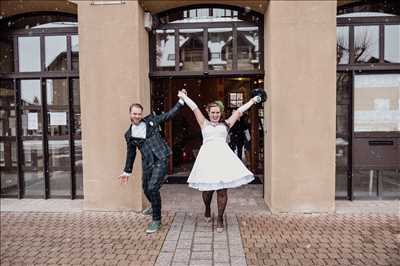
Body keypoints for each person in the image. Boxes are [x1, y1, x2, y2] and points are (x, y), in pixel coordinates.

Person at [178, 89, 260, 232]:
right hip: (207, 159)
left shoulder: (226, 124)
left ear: (220, 113)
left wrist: (253, 101)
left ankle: (220, 218)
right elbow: (194, 107)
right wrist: (184, 96)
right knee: (208, 190)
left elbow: (239, 111)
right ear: (208, 113)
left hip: (223, 158)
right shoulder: (203, 123)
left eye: (217, 112)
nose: (215, 115)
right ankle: (208, 208)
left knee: (222, 190)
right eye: (212, 112)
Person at [119, 95, 184, 234]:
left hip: (161, 157)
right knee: (146, 188)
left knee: (153, 187)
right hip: (148, 162)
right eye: (134, 113)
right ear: (130, 114)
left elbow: (168, 115)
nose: (137, 116)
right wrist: (126, 172)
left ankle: (156, 219)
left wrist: (181, 101)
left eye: (139, 113)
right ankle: (155, 205)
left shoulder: (151, 121)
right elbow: (131, 154)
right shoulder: (129, 135)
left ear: (142, 114)